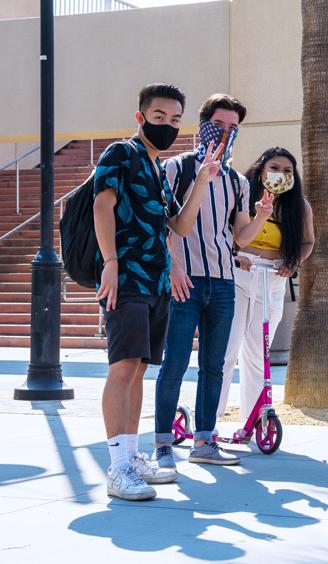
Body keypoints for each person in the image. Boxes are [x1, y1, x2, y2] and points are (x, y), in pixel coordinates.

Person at [93, 83, 222, 500]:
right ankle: (116, 468)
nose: (167, 125)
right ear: (141, 117)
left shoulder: (156, 167)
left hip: (156, 284)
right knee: (123, 366)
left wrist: (202, 179)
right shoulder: (121, 154)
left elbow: (178, 228)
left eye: (174, 119)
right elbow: (102, 206)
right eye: (159, 117)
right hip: (126, 279)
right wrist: (111, 264)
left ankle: (130, 458)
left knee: (139, 369)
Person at [152, 94, 272, 468]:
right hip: (183, 279)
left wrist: (262, 216)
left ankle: (204, 442)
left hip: (223, 282)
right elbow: (163, 225)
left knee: (215, 364)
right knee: (174, 363)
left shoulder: (237, 181)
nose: (225, 133)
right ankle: (162, 444)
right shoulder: (176, 168)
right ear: (203, 124)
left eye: (233, 127)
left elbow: (240, 237)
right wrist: (172, 268)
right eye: (219, 125)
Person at [217, 147, 314, 421]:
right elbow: (225, 234)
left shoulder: (299, 206)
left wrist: (293, 263)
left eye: (287, 170)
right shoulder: (241, 196)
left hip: (271, 277)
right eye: (274, 168)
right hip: (237, 274)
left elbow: (307, 242)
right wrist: (236, 256)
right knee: (227, 347)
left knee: (258, 352)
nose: (280, 174)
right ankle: (210, 419)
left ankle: (254, 419)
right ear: (261, 169)